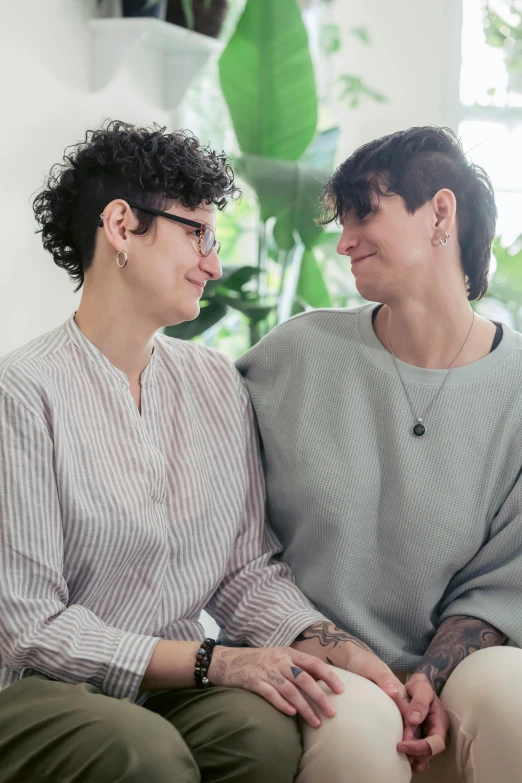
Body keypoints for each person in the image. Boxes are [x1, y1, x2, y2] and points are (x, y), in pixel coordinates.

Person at [0, 121, 414, 783]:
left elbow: (244, 570)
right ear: (120, 227)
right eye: (196, 233)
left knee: (265, 736)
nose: (214, 263)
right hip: (41, 687)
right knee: (146, 754)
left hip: (167, 685)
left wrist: (332, 645)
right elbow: (30, 626)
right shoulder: (21, 392)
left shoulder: (214, 381)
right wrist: (211, 662)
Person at [237, 126, 522, 783]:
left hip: (459, 661)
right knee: (358, 735)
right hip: (322, 654)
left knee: (512, 694)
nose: (344, 240)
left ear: (440, 213)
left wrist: (431, 674)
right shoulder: (297, 354)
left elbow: (507, 580)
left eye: (366, 212)